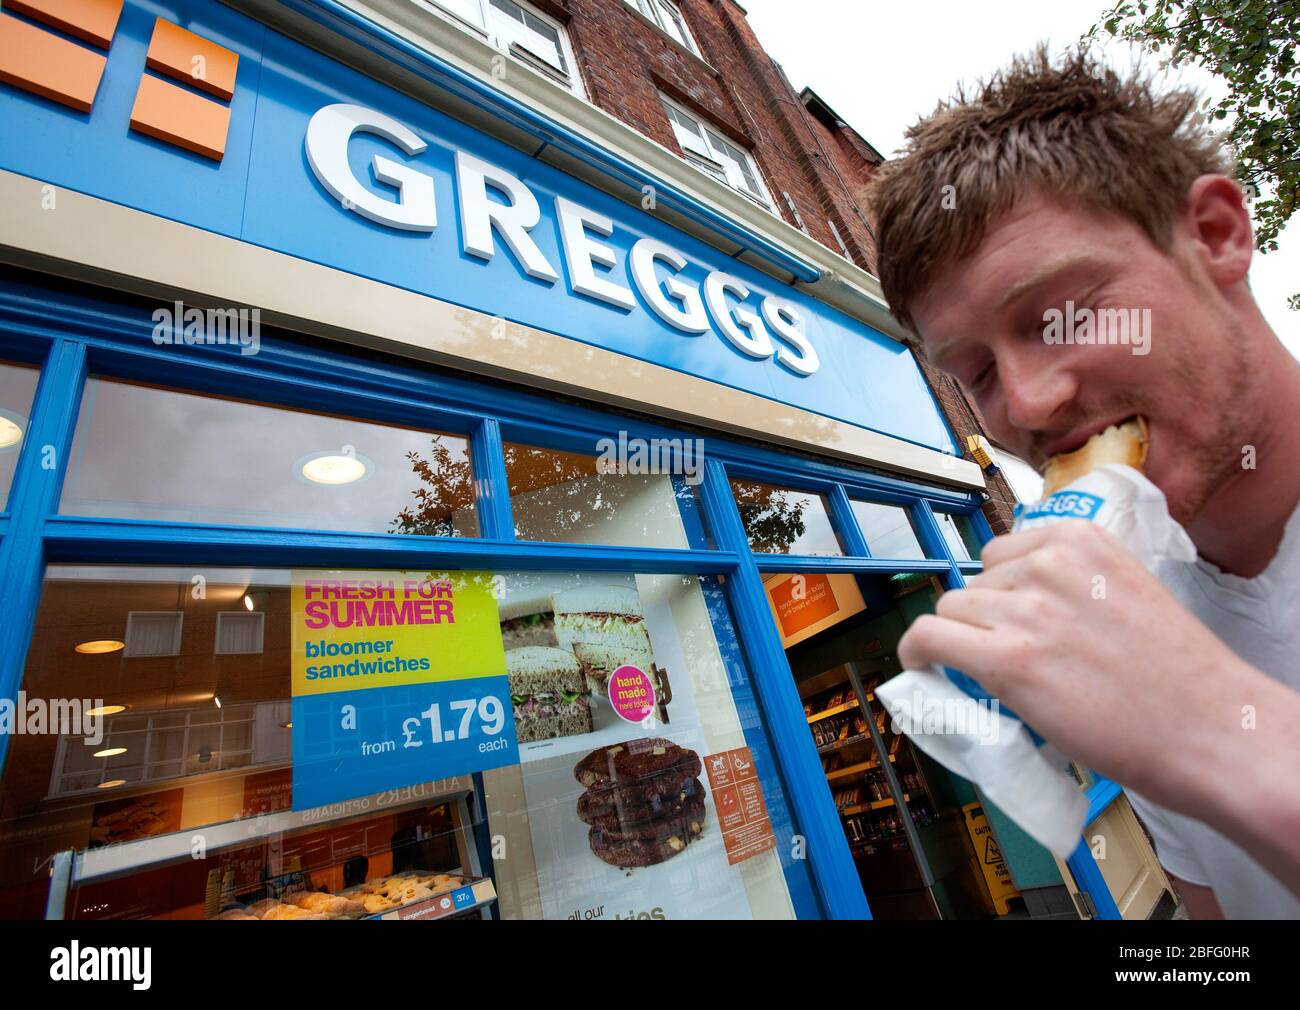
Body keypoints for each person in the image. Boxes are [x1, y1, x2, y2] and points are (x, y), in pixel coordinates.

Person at [868, 47, 1300, 918]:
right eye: (977, 371)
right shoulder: (1134, 612)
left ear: (1215, 236)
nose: (1028, 403)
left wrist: (1219, 730)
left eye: (1060, 315)